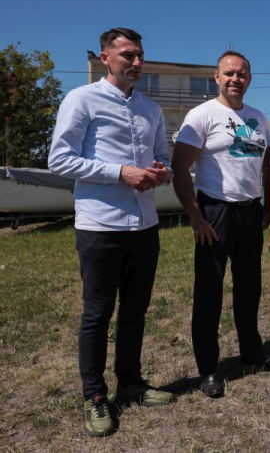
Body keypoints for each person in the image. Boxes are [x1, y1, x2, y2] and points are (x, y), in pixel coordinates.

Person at [48, 28, 175, 437]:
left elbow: (161, 156)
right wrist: (119, 172)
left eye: (140, 56)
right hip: (100, 225)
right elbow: (60, 160)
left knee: (135, 311)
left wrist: (161, 170)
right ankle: (94, 395)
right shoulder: (81, 100)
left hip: (144, 224)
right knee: (97, 312)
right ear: (106, 57)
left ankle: (132, 383)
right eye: (128, 55)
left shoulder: (151, 109)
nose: (136, 63)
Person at [172, 50, 270, 399]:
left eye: (242, 73)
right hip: (215, 213)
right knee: (209, 292)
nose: (236, 79)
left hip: (249, 214)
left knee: (249, 288)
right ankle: (209, 369)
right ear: (216, 77)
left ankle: (251, 352)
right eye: (229, 73)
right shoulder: (201, 115)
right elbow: (179, 168)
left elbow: (264, 167)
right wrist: (195, 216)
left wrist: (265, 207)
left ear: (250, 78)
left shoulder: (260, 119)